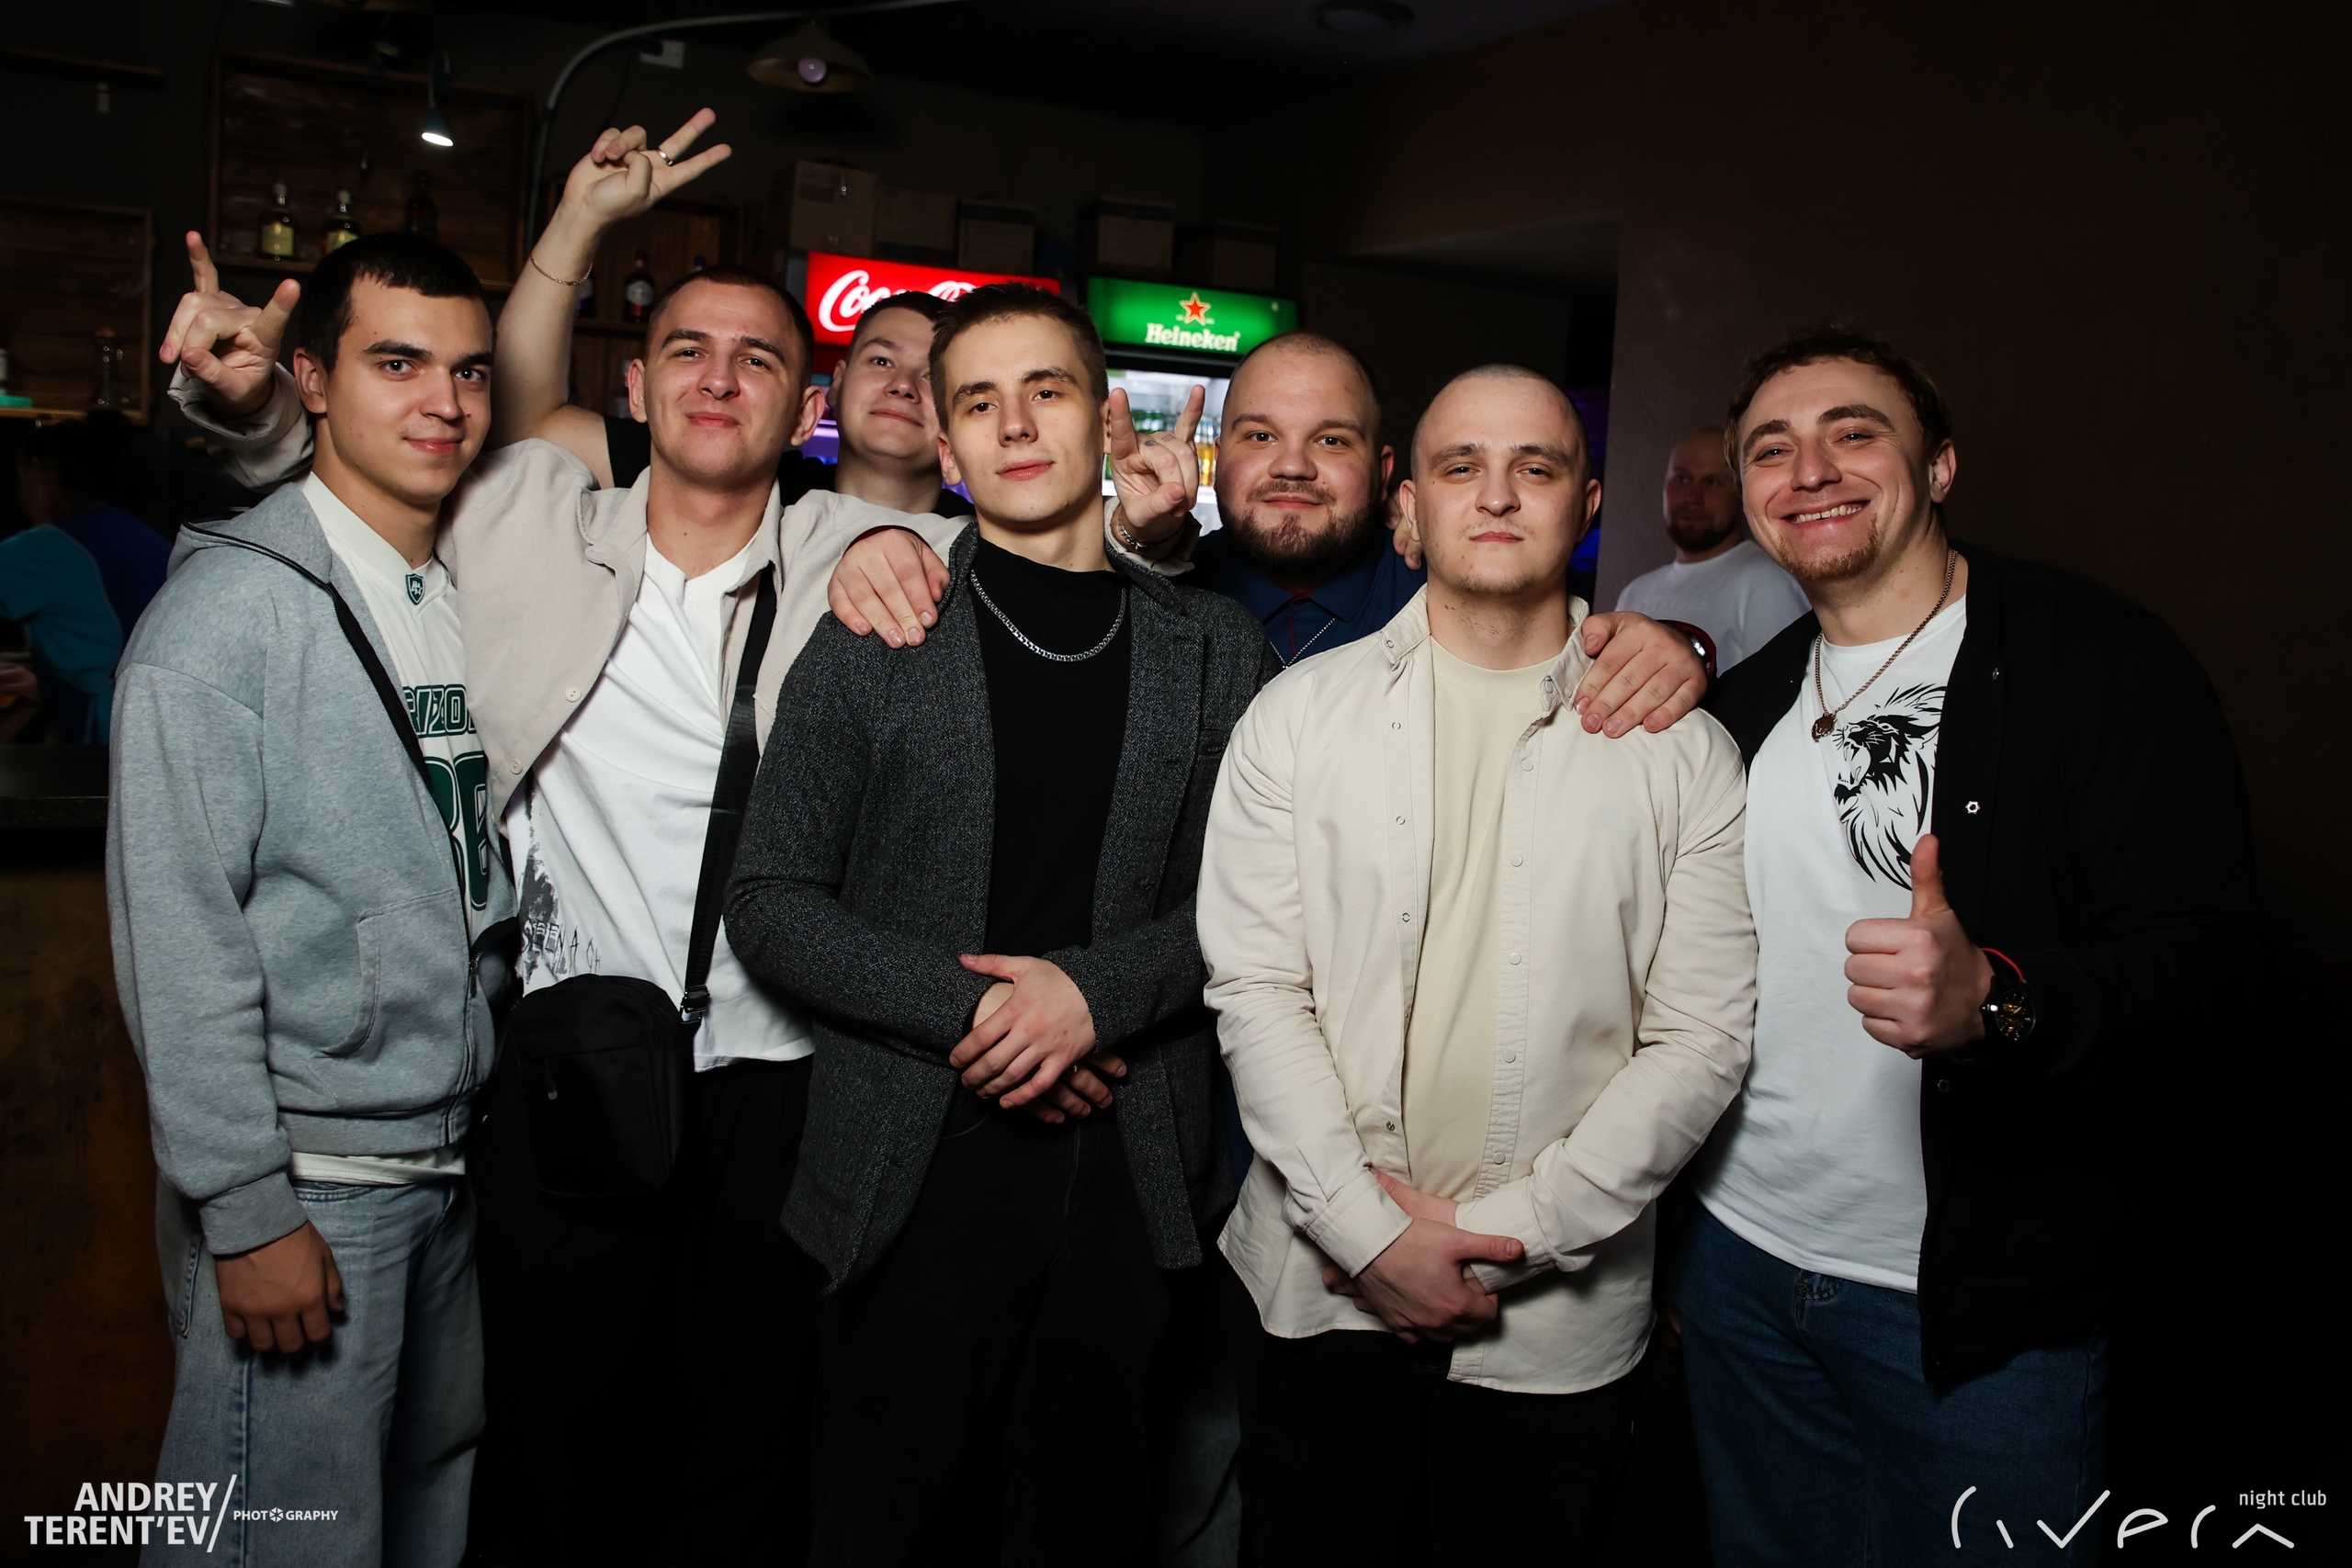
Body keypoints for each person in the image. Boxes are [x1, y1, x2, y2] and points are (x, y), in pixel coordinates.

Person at [172, 114, 1192, 1566]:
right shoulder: (528, 514)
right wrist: (252, 409)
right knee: (555, 1457)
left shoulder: (872, 553)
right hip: (573, 1068)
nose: (721, 379)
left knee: (745, 1465)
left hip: (788, 1085)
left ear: (805, 406)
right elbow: (377, 466)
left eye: (759, 359)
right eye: (690, 354)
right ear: (636, 388)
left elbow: (1065, 579)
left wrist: (1146, 538)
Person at [1675, 325, 2262, 1563]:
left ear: (1939, 465)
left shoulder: (2097, 661)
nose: (1809, 469)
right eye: (1770, 449)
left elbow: (2213, 971)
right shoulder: (1747, 699)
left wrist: (2000, 999)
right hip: (1742, 1267)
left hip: (1976, 1313)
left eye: (1854, 433)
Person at [724, 281, 1267, 1567]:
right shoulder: (876, 627)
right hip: (908, 1167)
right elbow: (771, 898)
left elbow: (1257, 903)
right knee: (883, 1525)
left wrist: (1093, 997)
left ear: (1104, 416)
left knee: (1084, 1526)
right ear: (947, 443)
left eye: (1047, 390)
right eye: (979, 402)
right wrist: (975, 1010)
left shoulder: (1213, 644)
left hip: (1126, 1165)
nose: (1015, 424)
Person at [1198, 363, 1755, 1567]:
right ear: (1408, 504)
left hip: (1558, 1329)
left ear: (1587, 504)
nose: (1496, 495)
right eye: (1461, 466)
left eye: (1534, 467)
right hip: (1314, 1289)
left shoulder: (1685, 753)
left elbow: (1701, 1040)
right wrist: (1363, 1231)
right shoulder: (1294, 716)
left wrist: (1516, 1232)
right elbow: (1256, 990)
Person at [114, 231, 509, 1566]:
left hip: (448, 1165)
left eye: (468, 370)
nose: (443, 402)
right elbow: (179, 936)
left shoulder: (464, 593)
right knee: (277, 1541)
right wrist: (247, 1212)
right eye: (397, 364)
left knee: (422, 1521)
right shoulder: (225, 618)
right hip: (312, 1183)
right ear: (315, 382)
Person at [494, 203, 971, 518]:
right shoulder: (746, 474)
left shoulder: (981, 547)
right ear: (834, 388)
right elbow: (526, 423)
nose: (902, 385)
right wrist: (578, 219)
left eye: (933, 376)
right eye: (882, 361)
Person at [1, 412, 167, 740]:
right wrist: (50, 686)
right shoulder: (137, 534)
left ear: (39, 472)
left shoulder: (49, 548)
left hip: (112, 734)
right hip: (159, 721)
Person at [1612, 424, 1807, 672]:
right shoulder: (1635, 593)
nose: (1693, 496)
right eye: (1682, 479)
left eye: (1712, 482)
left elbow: (1780, 684)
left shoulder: (1767, 583)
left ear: (1741, 492)